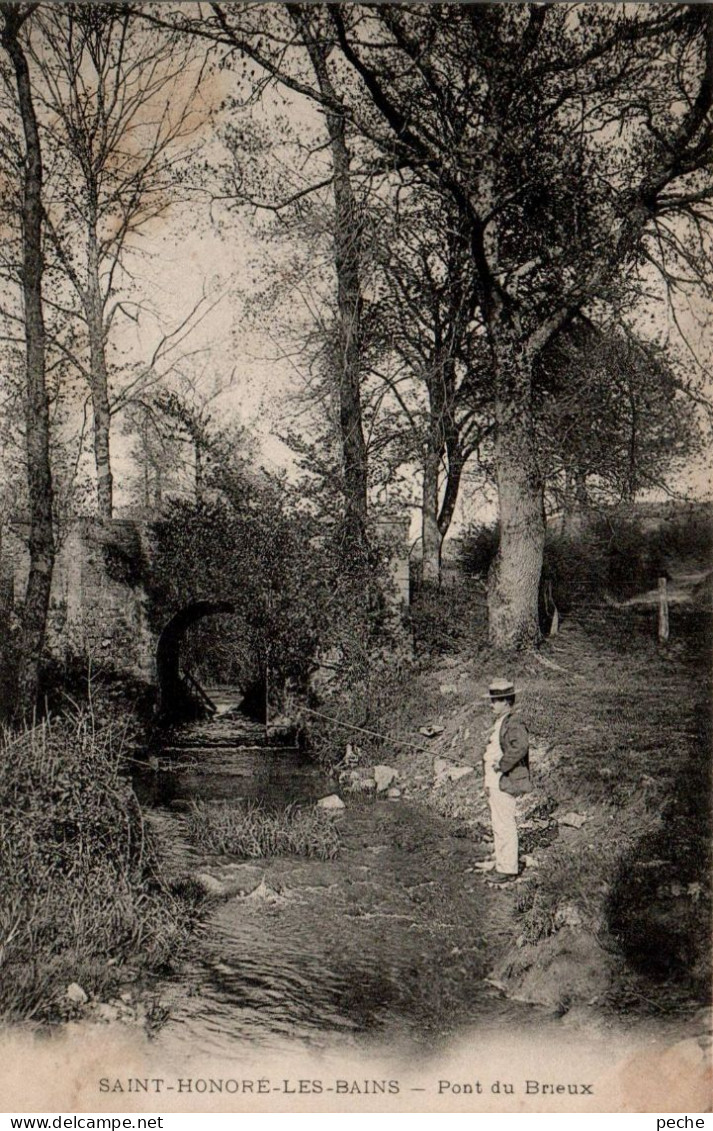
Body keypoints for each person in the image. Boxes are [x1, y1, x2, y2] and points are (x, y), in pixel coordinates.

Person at [481, 677, 531, 885]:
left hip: (505, 780)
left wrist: (501, 765)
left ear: (506, 702)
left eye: (495, 700)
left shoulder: (514, 722)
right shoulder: (501, 722)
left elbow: (520, 747)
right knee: (498, 824)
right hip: (496, 782)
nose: (492, 704)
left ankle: (508, 868)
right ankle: (502, 862)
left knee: (505, 824)